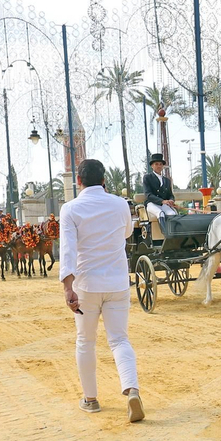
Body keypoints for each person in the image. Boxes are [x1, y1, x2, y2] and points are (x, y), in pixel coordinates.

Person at [59, 157, 144, 420]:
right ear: (105, 180)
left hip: (86, 284)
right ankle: (131, 389)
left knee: (86, 341)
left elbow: (68, 250)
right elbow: (128, 233)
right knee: (119, 339)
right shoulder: (120, 204)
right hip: (117, 281)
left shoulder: (70, 209)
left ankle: (91, 399)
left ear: (79, 181)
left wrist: (67, 287)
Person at [142, 153, 177, 222]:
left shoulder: (167, 180)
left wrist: (171, 200)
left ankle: (171, 232)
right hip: (152, 203)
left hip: (163, 205)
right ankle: (164, 232)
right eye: (156, 164)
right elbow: (148, 194)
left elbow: (170, 195)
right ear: (152, 165)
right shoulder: (147, 177)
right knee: (160, 213)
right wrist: (162, 201)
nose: (159, 166)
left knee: (172, 214)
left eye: (160, 164)